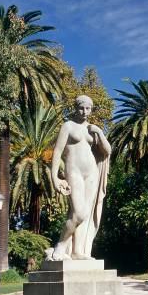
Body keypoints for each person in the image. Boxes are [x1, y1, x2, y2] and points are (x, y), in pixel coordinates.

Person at [46, 95, 111, 261]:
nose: (84, 111)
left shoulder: (91, 129)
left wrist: (99, 133)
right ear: (76, 108)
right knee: (79, 213)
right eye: (81, 108)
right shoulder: (68, 126)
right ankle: (61, 244)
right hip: (73, 171)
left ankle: (77, 252)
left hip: (91, 173)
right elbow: (57, 152)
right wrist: (55, 177)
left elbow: (107, 151)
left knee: (86, 214)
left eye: (88, 108)